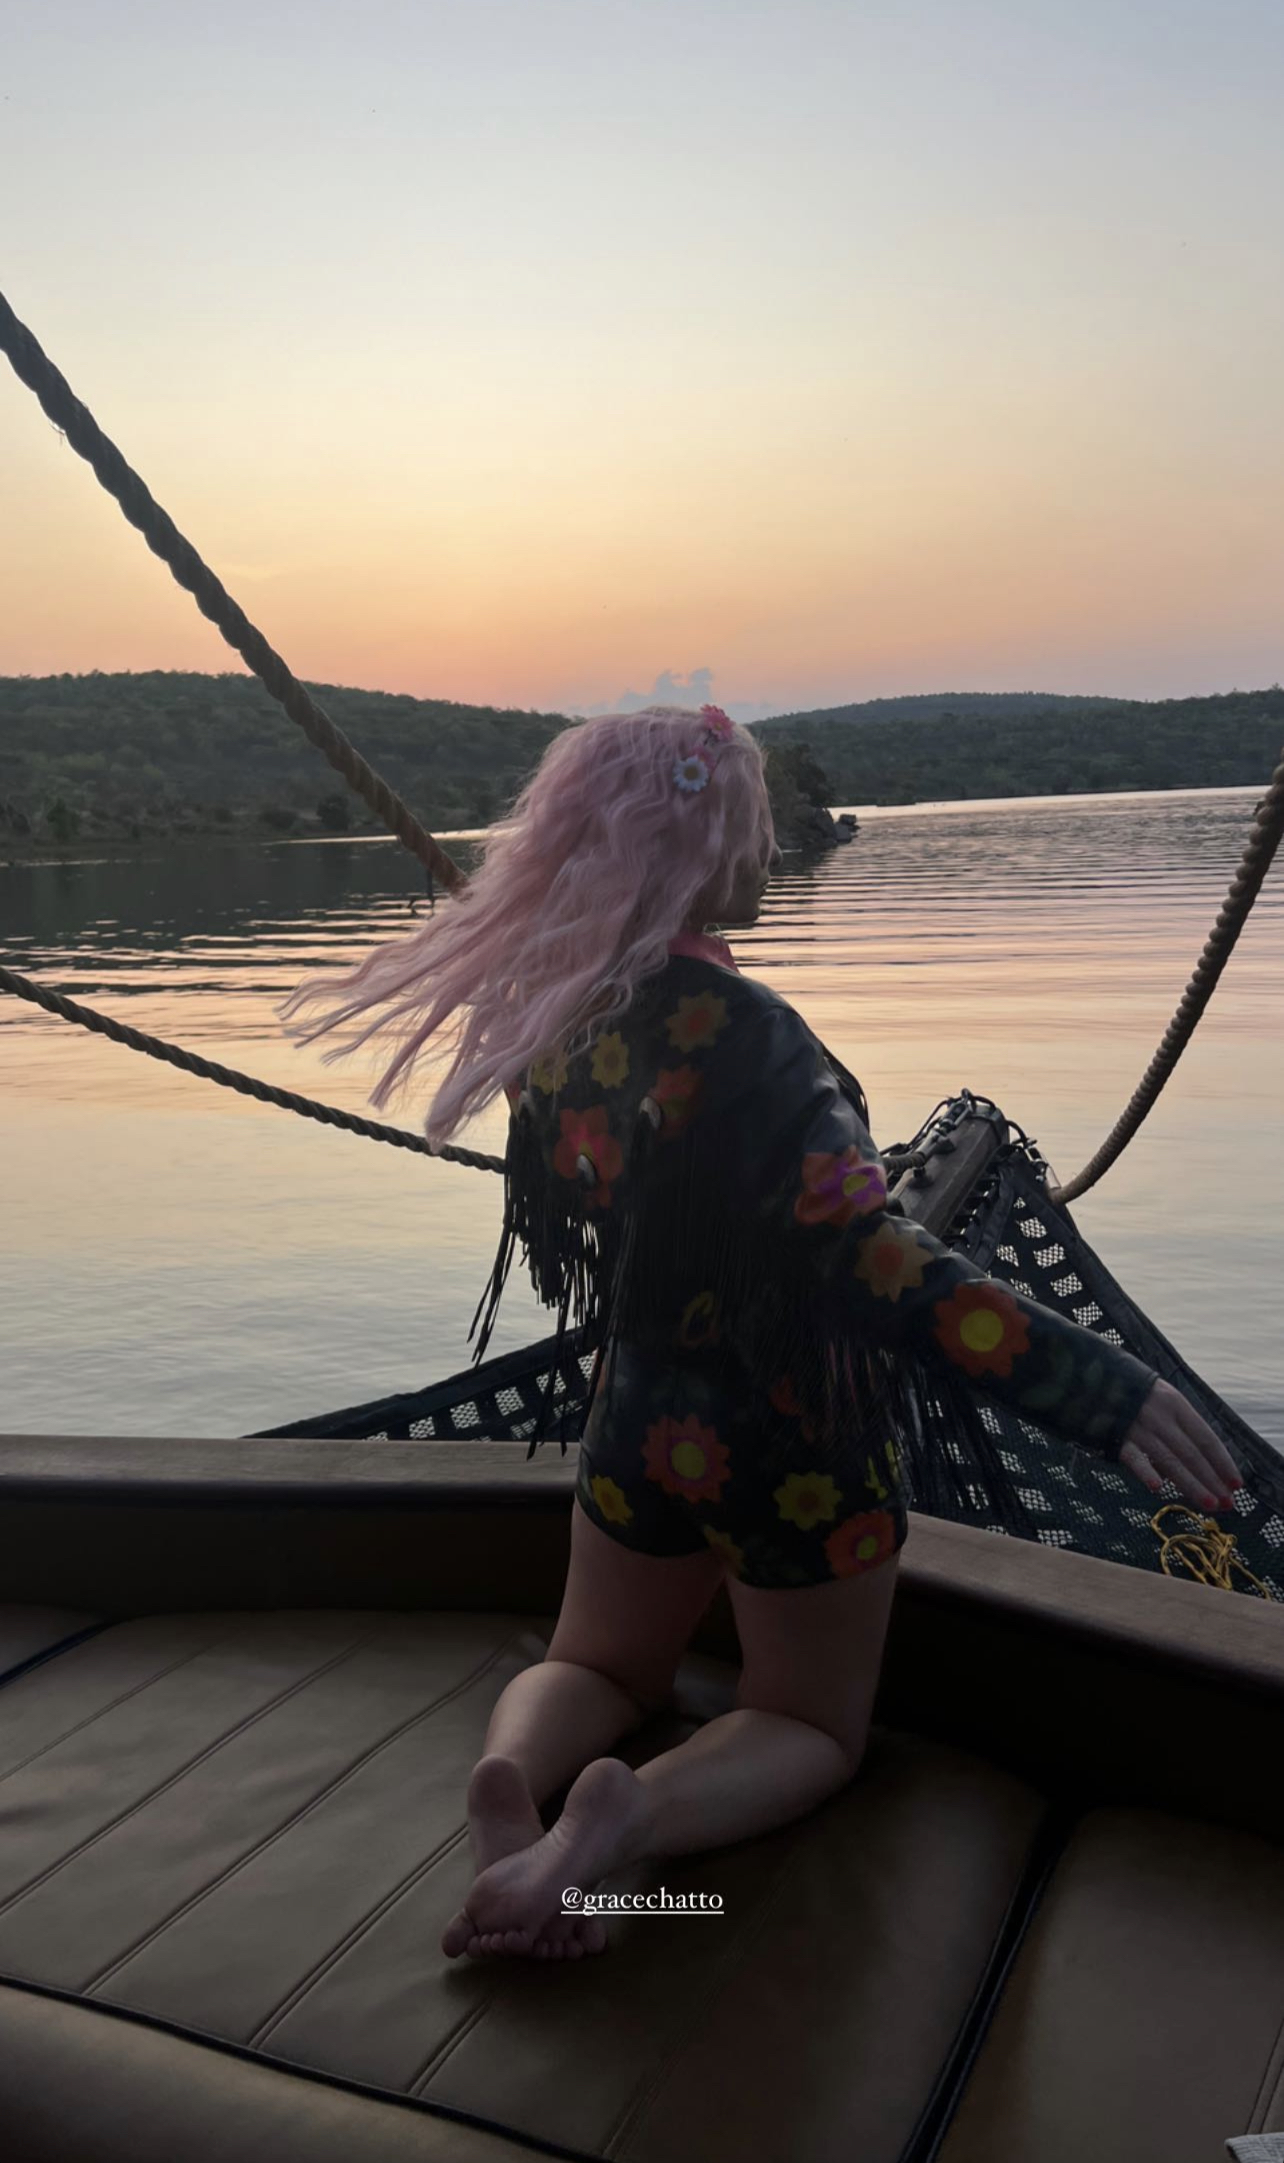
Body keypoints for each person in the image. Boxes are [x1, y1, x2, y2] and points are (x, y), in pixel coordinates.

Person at [278, 704, 1243, 1966]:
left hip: (637, 1412)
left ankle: (511, 1770)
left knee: (597, 1662)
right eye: (753, 822)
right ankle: (624, 1826)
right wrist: (1095, 1387)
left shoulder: (550, 1023)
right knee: (806, 1724)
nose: (772, 847)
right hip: (795, 1436)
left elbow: (582, 1213)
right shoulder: (755, 1035)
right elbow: (870, 1255)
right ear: (705, 848)